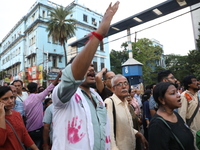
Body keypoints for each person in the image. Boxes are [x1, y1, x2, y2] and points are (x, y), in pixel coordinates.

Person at [51, 2, 119, 150]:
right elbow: (73, 77)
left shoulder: (97, 97)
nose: (91, 70)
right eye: (85, 66)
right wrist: (99, 33)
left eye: (92, 67)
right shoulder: (62, 95)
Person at [105, 74, 148, 150]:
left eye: (126, 83)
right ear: (113, 89)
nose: (124, 86)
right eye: (119, 84)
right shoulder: (110, 102)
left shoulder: (126, 103)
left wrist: (138, 134)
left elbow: (126, 126)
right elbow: (109, 130)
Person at [148, 82, 195, 150]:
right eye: (173, 93)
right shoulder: (157, 125)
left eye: (177, 91)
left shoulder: (175, 114)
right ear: (161, 100)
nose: (178, 95)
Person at [23, 72, 61, 150]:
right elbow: (50, 87)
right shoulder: (38, 97)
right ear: (37, 89)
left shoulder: (25, 101)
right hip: (38, 130)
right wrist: (58, 77)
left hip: (29, 130)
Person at [178, 75, 200, 150]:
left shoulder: (196, 95)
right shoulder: (184, 96)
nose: (197, 82)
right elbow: (182, 115)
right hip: (192, 130)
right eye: (194, 81)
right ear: (188, 84)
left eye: (197, 80)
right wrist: (184, 131)